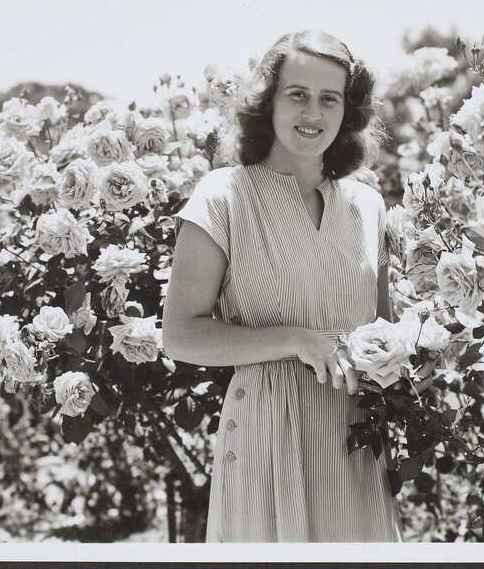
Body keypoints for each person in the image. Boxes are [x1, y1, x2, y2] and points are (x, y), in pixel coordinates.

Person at [162, 30, 400, 542]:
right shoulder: (223, 195)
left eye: (329, 99)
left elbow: (385, 330)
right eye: (298, 94)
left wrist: (421, 353)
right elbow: (180, 333)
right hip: (267, 434)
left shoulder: (367, 206)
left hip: (353, 435)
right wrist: (295, 340)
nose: (313, 113)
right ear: (267, 100)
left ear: (347, 111)